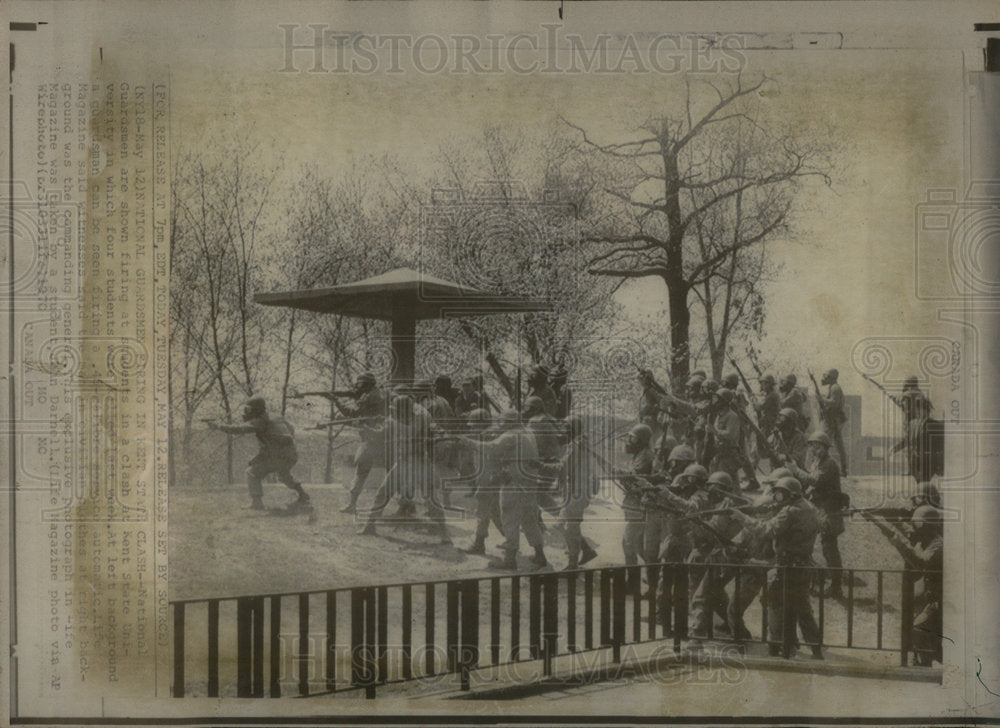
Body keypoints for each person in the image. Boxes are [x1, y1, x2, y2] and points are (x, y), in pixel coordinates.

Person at [731, 477, 824, 659]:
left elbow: (766, 530)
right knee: (802, 608)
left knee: (774, 602)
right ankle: (815, 648)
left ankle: (777, 647)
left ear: (791, 494)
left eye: (780, 493)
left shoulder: (789, 512)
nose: (777, 497)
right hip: (804, 564)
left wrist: (743, 518)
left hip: (787, 565)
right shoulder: (809, 508)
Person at [455, 409, 547, 569]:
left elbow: (491, 448)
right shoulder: (528, 432)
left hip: (514, 482)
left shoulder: (511, 435)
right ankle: (540, 555)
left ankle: (509, 560)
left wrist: (467, 441)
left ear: (510, 422)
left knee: (510, 518)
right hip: (529, 482)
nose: (500, 426)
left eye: (503, 422)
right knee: (529, 519)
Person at [860, 504, 943, 666]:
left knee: (920, 629)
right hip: (931, 598)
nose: (913, 526)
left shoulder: (937, 545)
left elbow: (919, 561)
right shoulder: (928, 538)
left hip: (939, 601)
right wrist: (882, 518)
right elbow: (906, 530)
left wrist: (887, 527)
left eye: (916, 523)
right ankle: (922, 661)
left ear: (925, 525)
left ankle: (924, 663)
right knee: (922, 633)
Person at [210, 397, 309, 511]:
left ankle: (257, 503)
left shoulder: (261, 421)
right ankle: (303, 496)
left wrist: (218, 426)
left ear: (256, 409)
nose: (246, 413)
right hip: (291, 454)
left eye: (248, 410)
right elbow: (291, 429)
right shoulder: (276, 416)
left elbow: (239, 429)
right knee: (284, 475)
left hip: (277, 455)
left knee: (252, 473)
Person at [787, 431, 846, 598]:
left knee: (829, 549)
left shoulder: (829, 464)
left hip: (829, 511)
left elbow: (815, 481)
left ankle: (836, 586)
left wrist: (795, 470)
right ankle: (819, 578)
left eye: (818, 446)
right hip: (820, 509)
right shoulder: (817, 462)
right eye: (813, 446)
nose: (815, 449)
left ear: (826, 448)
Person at [333, 372, 386, 514]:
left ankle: (352, 504)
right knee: (393, 473)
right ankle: (405, 505)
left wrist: (337, 401)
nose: (358, 387)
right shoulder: (378, 394)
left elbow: (353, 413)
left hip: (371, 439)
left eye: (360, 384)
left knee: (360, 471)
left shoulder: (369, 397)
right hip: (384, 438)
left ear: (367, 384)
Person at [550, 415, 599, 569]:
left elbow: (564, 466)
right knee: (565, 525)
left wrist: (543, 464)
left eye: (565, 427)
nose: (562, 431)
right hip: (575, 491)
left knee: (569, 527)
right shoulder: (580, 444)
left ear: (572, 429)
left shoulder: (576, 445)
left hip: (577, 493)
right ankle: (585, 550)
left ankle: (573, 564)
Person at [460, 408, 504, 555]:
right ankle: (510, 540)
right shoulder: (487, 434)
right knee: (495, 512)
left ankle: (479, 544)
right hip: (489, 479)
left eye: (474, 424)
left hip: (489, 480)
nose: (471, 427)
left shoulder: (489, 435)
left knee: (482, 511)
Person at [620, 423, 655, 566]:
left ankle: (632, 582)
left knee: (628, 543)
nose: (629, 441)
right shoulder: (640, 454)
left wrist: (621, 474)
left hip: (640, 504)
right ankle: (655, 572)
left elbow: (634, 478)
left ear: (642, 441)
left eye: (633, 439)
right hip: (636, 504)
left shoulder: (645, 456)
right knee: (639, 546)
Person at [818, 368, 849, 475]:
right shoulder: (833, 387)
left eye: (826, 376)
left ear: (831, 378)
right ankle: (844, 469)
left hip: (833, 420)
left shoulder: (835, 388)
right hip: (833, 420)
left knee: (823, 442)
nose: (823, 378)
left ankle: (823, 467)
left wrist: (822, 400)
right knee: (839, 445)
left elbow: (834, 403)